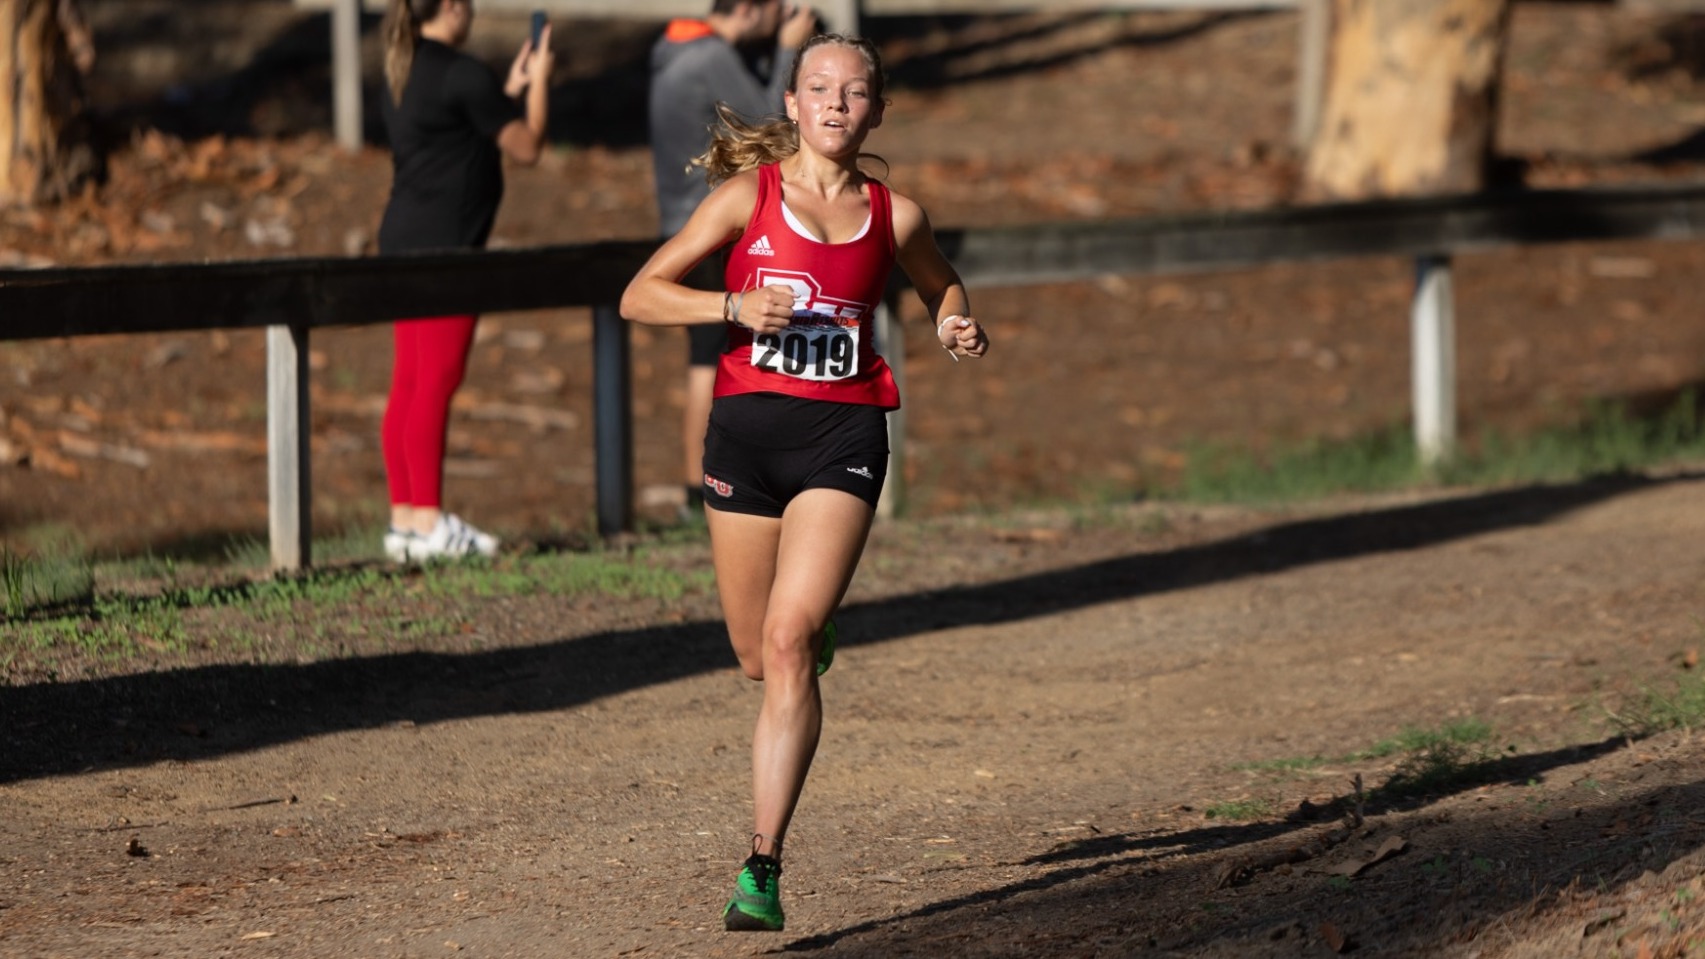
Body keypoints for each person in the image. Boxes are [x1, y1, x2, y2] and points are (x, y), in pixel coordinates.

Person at [619, 33, 989, 932]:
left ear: (875, 111)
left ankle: (762, 864)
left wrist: (952, 324)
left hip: (842, 436)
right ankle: (800, 644)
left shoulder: (895, 217)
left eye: (853, 93)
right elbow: (638, 294)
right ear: (790, 103)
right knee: (756, 655)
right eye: (818, 88)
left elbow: (943, 285)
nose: (834, 104)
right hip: (744, 442)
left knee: (785, 640)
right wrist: (730, 306)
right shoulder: (745, 197)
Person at [375, 0, 552, 563]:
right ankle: (429, 522)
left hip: (403, 241)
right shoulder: (461, 73)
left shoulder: (405, 64)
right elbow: (526, 146)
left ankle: (405, 522)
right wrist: (539, 84)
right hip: (447, 253)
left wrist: (506, 86)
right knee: (437, 381)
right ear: (450, 6)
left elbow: (459, 130)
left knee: (410, 380)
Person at [647, 0, 817, 519]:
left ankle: (696, 485)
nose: (785, 15)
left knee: (706, 353)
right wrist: (791, 48)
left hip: (680, 219)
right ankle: (699, 485)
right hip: (712, 227)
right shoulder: (711, 57)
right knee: (710, 355)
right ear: (748, 7)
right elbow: (774, 122)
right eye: (778, 9)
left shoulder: (670, 47)